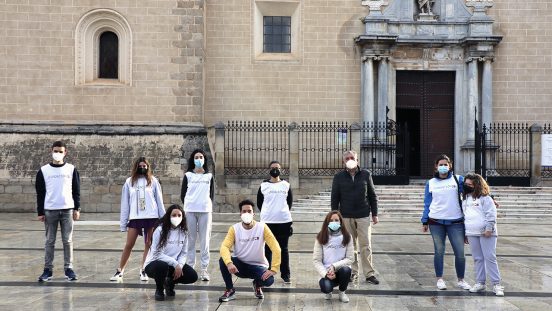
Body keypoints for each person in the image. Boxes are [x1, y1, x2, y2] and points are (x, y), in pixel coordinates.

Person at [110, 157, 165, 282]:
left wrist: (163, 220)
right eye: (140, 166)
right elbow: (125, 203)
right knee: (129, 244)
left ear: (148, 167)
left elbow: (159, 201)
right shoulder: (129, 182)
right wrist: (123, 223)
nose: (142, 168)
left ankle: (143, 270)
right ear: (136, 167)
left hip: (151, 217)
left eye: (144, 166)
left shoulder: (153, 181)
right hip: (135, 217)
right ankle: (120, 271)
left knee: (148, 244)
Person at [421, 154, 471, 291]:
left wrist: (490, 198)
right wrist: (424, 221)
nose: (443, 167)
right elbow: (427, 203)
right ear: (436, 167)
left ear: (450, 166)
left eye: (445, 164)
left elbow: (473, 190)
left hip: (456, 222)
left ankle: (461, 280)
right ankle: (440, 279)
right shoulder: (430, 183)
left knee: (460, 252)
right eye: (440, 165)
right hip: (435, 221)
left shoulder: (458, 179)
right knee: (439, 251)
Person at [330, 150, 379, 284]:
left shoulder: (366, 174)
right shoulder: (339, 177)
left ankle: (369, 274)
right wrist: (335, 216)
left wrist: (374, 214)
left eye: (352, 158)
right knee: (350, 247)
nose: (350, 160)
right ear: (343, 162)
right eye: (347, 158)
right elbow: (335, 197)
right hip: (346, 216)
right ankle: (353, 272)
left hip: (363, 215)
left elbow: (372, 195)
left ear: (357, 160)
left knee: (366, 245)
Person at [218, 199, 281, 302]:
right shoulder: (234, 229)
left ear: (253, 213)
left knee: (269, 280)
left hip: (258, 266)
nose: (246, 213)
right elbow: (224, 247)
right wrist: (229, 263)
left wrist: (274, 269)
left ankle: (257, 284)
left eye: (249, 211)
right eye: (244, 211)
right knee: (222, 260)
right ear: (240, 213)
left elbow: (276, 247)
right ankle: (230, 289)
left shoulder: (262, 227)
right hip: (239, 266)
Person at [36, 141, 81, 282]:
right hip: (50, 210)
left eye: (61, 151)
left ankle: (69, 269)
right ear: (51, 151)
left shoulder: (71, 169)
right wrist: (40, 212)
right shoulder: (44, 170)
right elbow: (40, 192)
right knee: (50, 241)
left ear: (65, 152)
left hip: (67, 209)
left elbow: (76, 190)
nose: (58, 153)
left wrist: (77, 208)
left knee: (67, 241)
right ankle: (47, 270)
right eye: (56, 151)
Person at [143, 204, 198, 301]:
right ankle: (159, 290)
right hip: (154, 264)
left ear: (183, 217)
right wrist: (175, 263)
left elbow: (184, 253)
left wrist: (180, 265)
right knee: (162, 266)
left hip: (174, 265)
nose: (176, 217)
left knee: (192, 276)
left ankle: (169, 283)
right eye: (174, 215)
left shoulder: (184, 232)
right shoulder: (160, 230)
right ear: (168, 216)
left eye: (179, 215)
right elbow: (157, 254)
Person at [463, 173, 504, 296]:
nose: (468, 186)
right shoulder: (465, 198)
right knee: (478, 259)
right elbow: (466, 216)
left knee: (490, 257)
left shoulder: (485, 198)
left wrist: (489, 228)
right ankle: (480, 283)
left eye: (470, 184)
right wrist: (465, 233)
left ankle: (496, 284)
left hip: (486, 233)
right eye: (466, 184)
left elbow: (491, 214)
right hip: (471, 232)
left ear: (477, 185)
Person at [180, 149, 214, 281]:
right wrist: (190, 204)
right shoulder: (188, 175)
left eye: (201, 157)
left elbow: (212, 194)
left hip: (205, 211)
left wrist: (206, 204)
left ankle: (204, 269)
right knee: (190, 240)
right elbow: (183, 194)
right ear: (193, 160)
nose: (199, 159)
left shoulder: (209, 176)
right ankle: (190, 267)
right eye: (196, 157)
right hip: (190, 211)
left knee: (205, 240)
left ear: (204, 159)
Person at [257, 160, 293, 284]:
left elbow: (289, 203)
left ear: (280, 170)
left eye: (277, 167)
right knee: (267, 249)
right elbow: (259, 203)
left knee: (283, 249)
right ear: (269, 170)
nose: (275, 169)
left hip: (284, 221)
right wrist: (269, 212)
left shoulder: (286, 185)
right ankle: (267, 273)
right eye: (273, 168)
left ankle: (285, 274)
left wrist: (280, 212)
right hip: (267, 222)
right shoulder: (263, 186)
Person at [313, 211, 354, 303]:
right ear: (327, 222)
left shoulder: (347, 236)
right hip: (327, 272)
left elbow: (350, 258)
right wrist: (325, 273)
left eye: (336, 220)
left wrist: (334, 266)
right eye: (331, 220)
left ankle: (342, 292)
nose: (334, 222)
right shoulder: (321, 236)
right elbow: (316, 260)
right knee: (326, 287)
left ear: (341, 222)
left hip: (341, 271)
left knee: (346, 270)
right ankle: (329, 292)